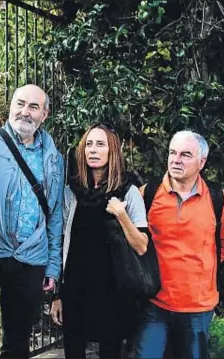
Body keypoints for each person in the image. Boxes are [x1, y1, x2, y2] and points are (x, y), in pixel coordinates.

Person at [0, 84, 64, 358]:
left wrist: (53, 267)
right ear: (10, 106)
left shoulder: (53, 158)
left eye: (33, 107)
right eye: (20, 103)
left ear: (45, 114)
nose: (24, 112)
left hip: (31, 257)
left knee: (18, 341)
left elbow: (55, 216)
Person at [131, 130, 224, 359]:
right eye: (172, 152)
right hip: (154, 303)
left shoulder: (219, 199)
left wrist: (202, 266)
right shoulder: (148, 194)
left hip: (197, 308)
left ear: (201, 162)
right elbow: (133, 240)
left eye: (185, 154)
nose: (176, 160)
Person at [49, 124, 149, 359]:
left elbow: (142, 245)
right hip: (76, 287)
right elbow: (62, 241)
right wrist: (57, 295)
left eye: (100, 144)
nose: (93, 150)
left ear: (112, 151)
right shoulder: (71, 192)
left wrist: (121, 214)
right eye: (89, 145)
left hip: (112, 289)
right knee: (73, 348)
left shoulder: (128, 191)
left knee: (110, 349)